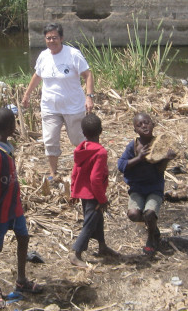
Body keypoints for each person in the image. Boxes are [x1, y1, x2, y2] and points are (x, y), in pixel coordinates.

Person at [21, 23, 95, 180]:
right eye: (48, 38)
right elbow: (37, 75)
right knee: (50, 140)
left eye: (55, 37)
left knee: (78, 139)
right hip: (50, 107)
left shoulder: (73, 54)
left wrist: (89, 96)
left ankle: (87, 167)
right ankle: (53, 172)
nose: (51, 41)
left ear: (61, 38)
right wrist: (27, 94)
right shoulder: (43, 56)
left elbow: (88, 75)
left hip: (73, 106)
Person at [0, 107, 40, 308]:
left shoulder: (6, 146)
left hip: (14, 207)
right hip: (0, 210)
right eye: (14, 123)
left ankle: (21, 279)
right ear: (9, 127)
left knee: (23, 237)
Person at [117, 112, 176, 256]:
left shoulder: (160, 144)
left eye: (146, 122)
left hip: (154, 187)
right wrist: (139, 158)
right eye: (139, 124)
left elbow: (160, 170)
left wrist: (167, 159)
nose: (144, 126)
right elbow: (121, 165)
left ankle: (151, 238)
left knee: (149, 213)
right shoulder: (133, 146)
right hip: (137, 188)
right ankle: (153, 228)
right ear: (135, 130)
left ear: (153, 124)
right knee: (133, 214)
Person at [69, 113, 118, 268]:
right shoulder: (100, 153)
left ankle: (102, 246)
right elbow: (95, 180)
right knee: (90, 223)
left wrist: (73, 192)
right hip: (93, 194)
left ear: (83, 133)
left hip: (83, 192)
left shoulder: (81, 149)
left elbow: (75, 172)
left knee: (97, 219)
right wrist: (102, 199)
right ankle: (76, 253)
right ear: (101, 130)